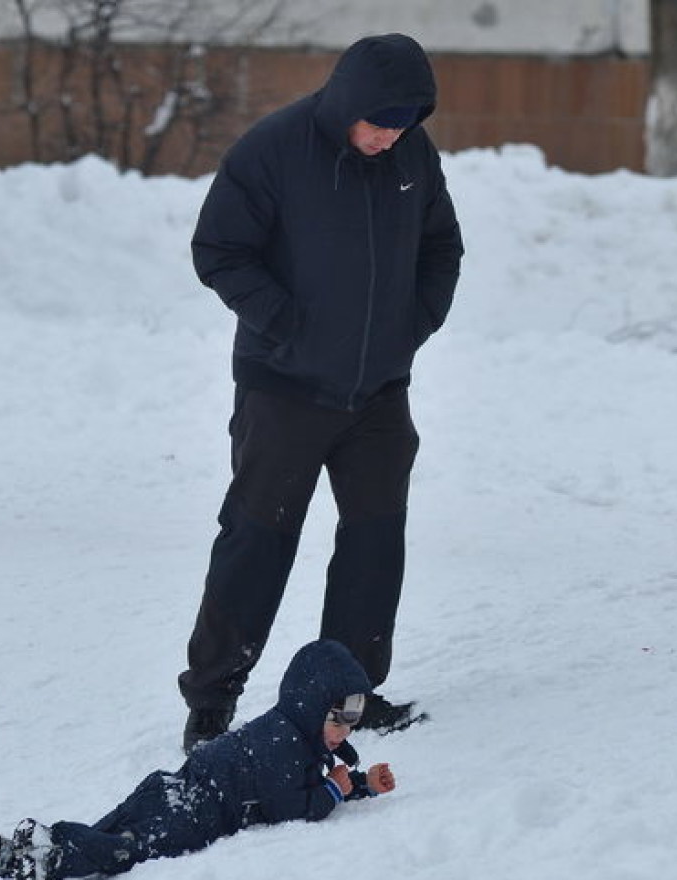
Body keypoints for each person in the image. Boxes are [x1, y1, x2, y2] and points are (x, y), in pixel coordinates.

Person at [180, 33, 464, 753]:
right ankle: (213, 698)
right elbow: (219, 250)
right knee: (257, 539)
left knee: (374, 545)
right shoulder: (272, 150)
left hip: (378, 393)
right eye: (379, 121)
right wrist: (286, 323)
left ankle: (349, 693)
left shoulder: (412, 157)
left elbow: (442, 247)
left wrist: (411, 327)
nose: (388, 135)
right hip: (285, 389)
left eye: (403, 123)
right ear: (347, 103)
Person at [0, 640, 397, 880]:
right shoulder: (284, 745)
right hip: (192, 813)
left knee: (111, 832)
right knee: (125, 850)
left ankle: (16, 853)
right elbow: (293, 807)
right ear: (310, 706)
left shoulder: (288, 732)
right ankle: (49, 860)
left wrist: (360, 784)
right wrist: (336, 792)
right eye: (337, 718)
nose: (344, 732)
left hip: (169, 787)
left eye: (352, 721)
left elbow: (308, 781)